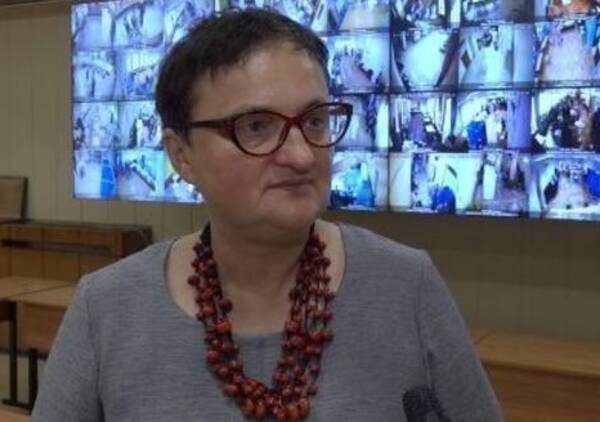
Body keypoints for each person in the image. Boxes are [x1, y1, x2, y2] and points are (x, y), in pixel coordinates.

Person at [32, 9, 503, 422]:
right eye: (256, 126)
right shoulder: (106, 308)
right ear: (181, 155)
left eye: (315, 121)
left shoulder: (406, 285)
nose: (301, 155)